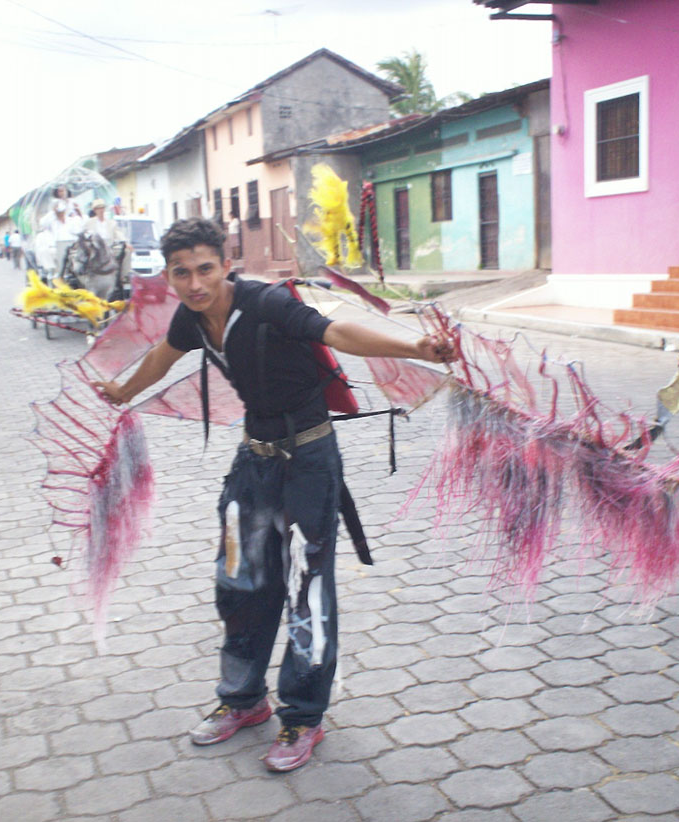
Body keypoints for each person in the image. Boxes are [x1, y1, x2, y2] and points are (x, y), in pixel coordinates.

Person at [92, 218, 453, 773]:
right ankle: (244, 700)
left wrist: (418, 349)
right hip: (253, 462)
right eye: (181, 273)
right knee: (239, 583)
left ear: (225, 264)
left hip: (309, 460)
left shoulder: (264, 304)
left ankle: (304, 716)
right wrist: (121, 391)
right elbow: (165, 355)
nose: (195, 283)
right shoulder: (192, 318)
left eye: (205, 269)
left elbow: (336, 333)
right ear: (168, 276)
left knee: (309, 589)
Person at [40, 200, 82, 278]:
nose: (60, 213)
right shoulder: (52, 223)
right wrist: (53, 211)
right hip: (58, 249)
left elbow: (77, 231)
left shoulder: (71, 221)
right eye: (58, 212)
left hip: (71, 248)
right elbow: (42, 223)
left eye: (62, 211)